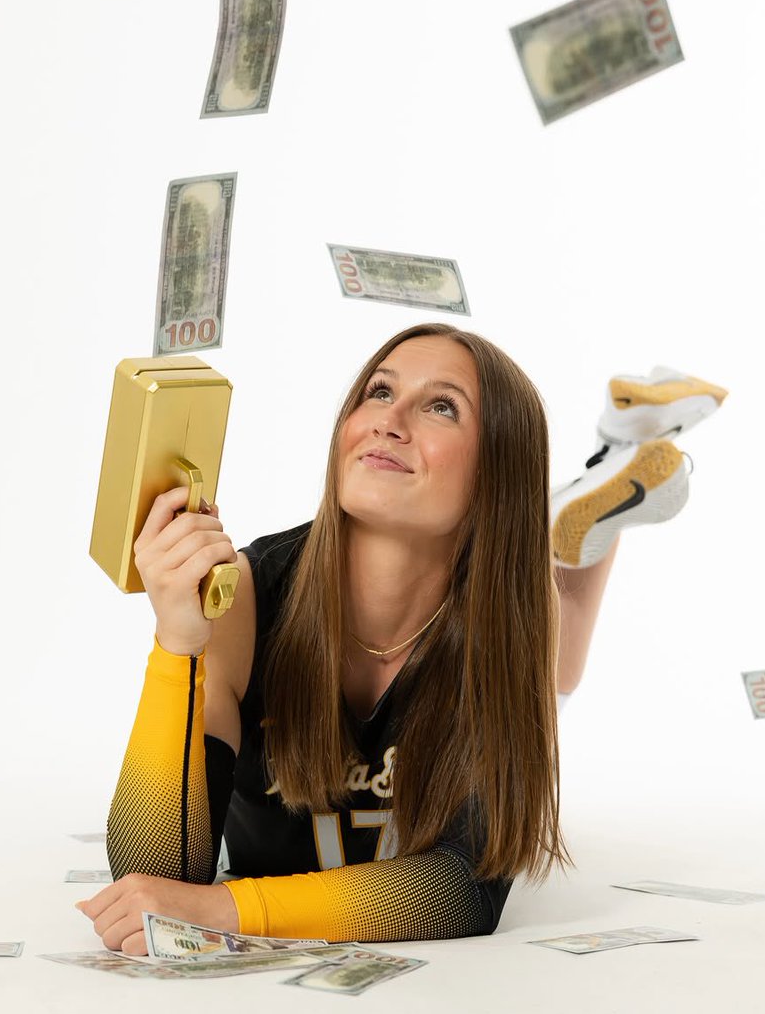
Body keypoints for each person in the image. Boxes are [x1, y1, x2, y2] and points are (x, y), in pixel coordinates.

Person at [76, 324, 726, 952]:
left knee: (553, 651)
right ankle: (590, 489)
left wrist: (229, 910)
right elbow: (155, 877)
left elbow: (463, 890)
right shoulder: (245, 596)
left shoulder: (508, 620)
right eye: (379, 392)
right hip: (474, 582)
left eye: (441, 407)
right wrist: (177, 644)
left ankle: (579, 505)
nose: (389, 420)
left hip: (495, 604)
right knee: (550, 637)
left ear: (497, 469)